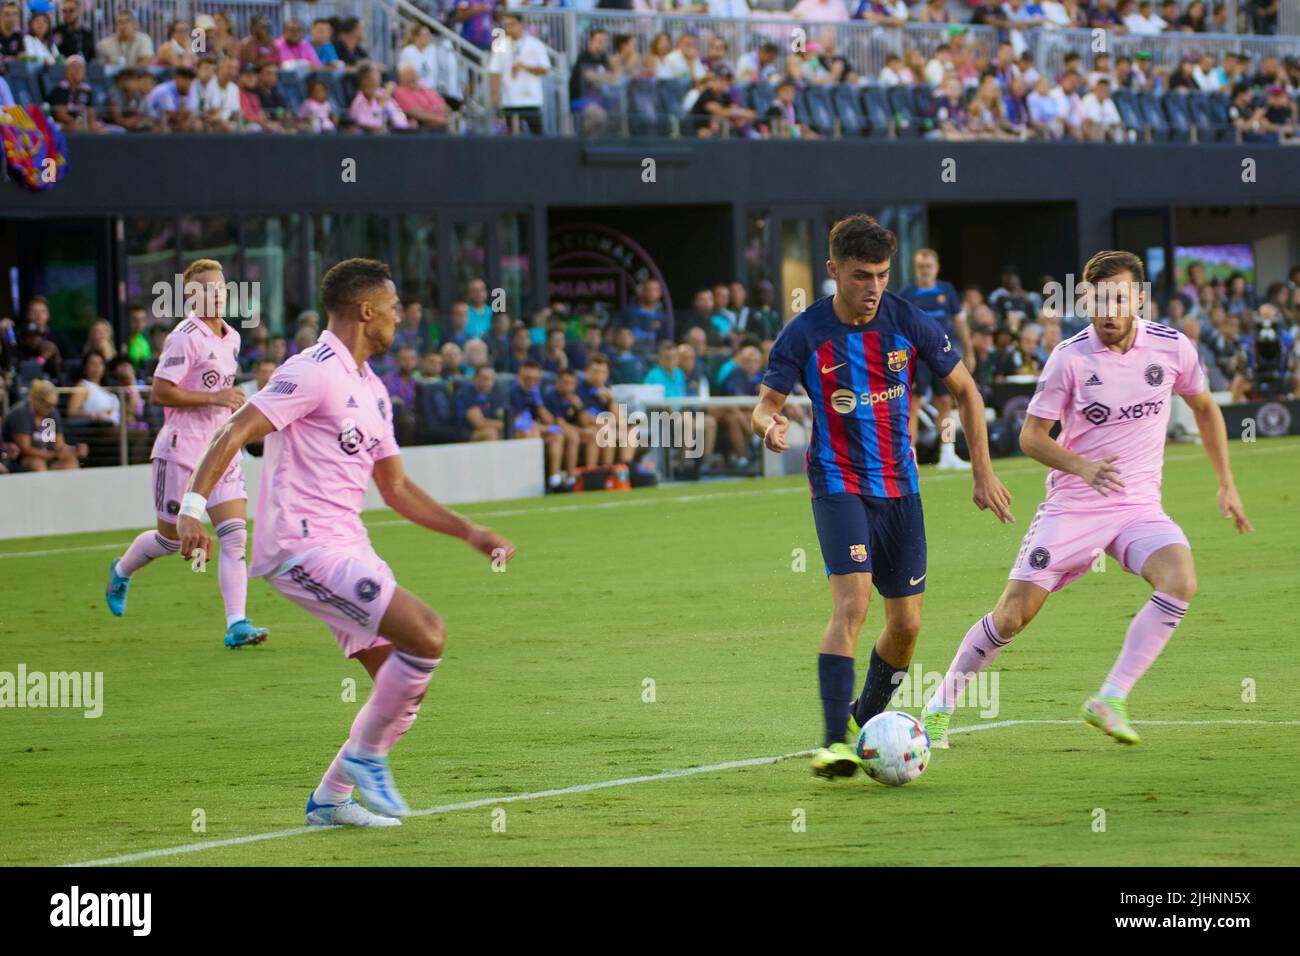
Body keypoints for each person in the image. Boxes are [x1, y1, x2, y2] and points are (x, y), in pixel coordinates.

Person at [176, 259, 515, 826]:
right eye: (393, 307)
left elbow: (398, 489)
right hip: (300, 547)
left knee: (401, 691)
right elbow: (235, 430)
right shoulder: (311, 369)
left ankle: (330, 800)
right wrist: (192, 506)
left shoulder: (374, 388)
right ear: (365, 311)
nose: (399, 317)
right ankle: (364, 759)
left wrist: (469, 532)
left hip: (349, 546)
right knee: (428, 634)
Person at [922, 251, 1252, 749]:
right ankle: (937, 709)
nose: (1109, 310)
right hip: (1074, 506)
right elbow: (1032, 437)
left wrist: (1226, 481)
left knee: (1180, 580)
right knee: (1012, 616)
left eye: (1119, 298)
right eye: (1099, 299)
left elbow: (1205, 408)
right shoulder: (1070, 358)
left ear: (1139, 299)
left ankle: (1110, 697)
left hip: (1138, 506)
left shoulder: (1172, 348)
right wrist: (1081, 466)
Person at [750, 214, 1013, 779]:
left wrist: (981, 473)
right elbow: (765, 403)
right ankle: (831, 743)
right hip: (839, 484)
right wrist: (767, 424)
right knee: (852, 606)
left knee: (908, 626)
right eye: (861, 275)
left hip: (902, 489)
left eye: (882, 275)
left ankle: (860, 721)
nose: (873, 287)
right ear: (833, 271)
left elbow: (966, 392)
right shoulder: (805, 332)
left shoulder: (908, 321)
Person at [104, 259, 270, 649]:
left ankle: (237, 624)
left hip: (223, 451)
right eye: (204, 290)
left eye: (219, 288)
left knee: (234, 536)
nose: (214, 295)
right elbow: (161, 392)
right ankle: (122, 570)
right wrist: (215, 397)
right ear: (190, 298)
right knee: (171, 541)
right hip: (181, 453)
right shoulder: (184, 336)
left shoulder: (232, 338)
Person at [901, 248, 971, 470]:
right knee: (913, 404)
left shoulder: (946, 291)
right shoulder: (906, 294)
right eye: (921, 267)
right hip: (916, 357)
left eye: (929, 266)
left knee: (945, 403)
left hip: (942, 353)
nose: (925, 271)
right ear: (916, 269)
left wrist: (969, 351)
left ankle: (948, 452)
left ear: (937, 268)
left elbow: (959, 321)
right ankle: (909, 457)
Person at [2, 378, 85, 470]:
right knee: (37, 464)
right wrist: (55, 456)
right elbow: (26, 450)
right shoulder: (21, 413)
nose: (52, 409)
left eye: (54, 405)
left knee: (70, 462)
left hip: (48, 457)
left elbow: (59, 445)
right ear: (35, 400)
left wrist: (74, 450)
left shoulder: (52, 414)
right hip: (19, 460)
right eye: (48, 405)